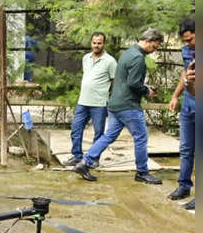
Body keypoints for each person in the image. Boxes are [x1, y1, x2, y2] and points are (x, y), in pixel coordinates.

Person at [74, 29, 164, 184]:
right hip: (128, 105)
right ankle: (142, 172)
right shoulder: (138, 58)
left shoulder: (128, 53)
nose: (154, 50)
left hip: (115, 103)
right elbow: (134, 83)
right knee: (141, 137)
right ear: (148, 41)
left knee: (109, 136)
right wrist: (147, 91)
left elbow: (125, 80)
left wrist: (143, 86)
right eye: (155, 47)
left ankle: (85, 162)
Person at [65, 32, 117, 167]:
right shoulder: (86, 58)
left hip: (99, 103)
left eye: (99, 43)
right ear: (91, 43)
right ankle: (77, 156)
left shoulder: (110, 61)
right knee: (76, 129)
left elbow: (114, 81)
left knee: (98, 133)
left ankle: (94, 159)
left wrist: (108, 95)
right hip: (83, 101)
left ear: (104, 44)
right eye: (94, 42)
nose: (96, 45)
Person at [168, 18, 195, 211]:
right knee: (185, 148)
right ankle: (184, 186)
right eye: (184, 41)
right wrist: (176, 95)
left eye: (190, 39)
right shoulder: (187, 51)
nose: (186, 44)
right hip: (188, 105)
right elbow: (185, 74)